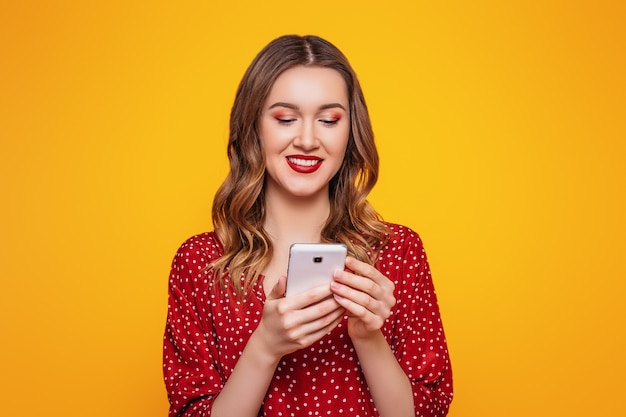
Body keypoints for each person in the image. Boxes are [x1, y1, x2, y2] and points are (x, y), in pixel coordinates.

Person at [163, 34, 453, 417]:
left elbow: (428, 410)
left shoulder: (399, 252)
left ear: (351, 132)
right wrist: (265, 346)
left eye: (329, 120)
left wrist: (369, 337)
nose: (307, 140)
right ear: (253, 128)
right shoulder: (200, 263)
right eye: (285, 119)